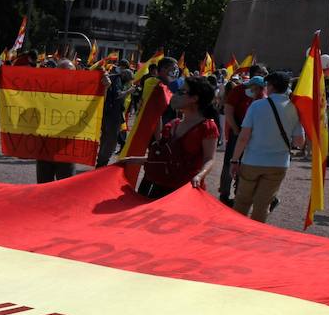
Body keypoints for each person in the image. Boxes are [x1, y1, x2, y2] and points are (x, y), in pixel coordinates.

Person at [122, 77, 221, 201]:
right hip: (159, 190)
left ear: (194, 98)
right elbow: (163, 159)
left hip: (186, 192)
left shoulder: (207, 127)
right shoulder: (173, 124)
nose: (175, 95)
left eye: (181, 92)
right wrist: (131, 160)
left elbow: (209, 159)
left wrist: (199, 176)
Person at [229, 72, 304, 221]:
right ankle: (256, 232)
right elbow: (299, 142)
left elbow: (243, 137)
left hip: (252, 160)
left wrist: (234, 160)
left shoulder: (256, 105)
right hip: (278, 163)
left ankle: (236, 230)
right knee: (263, 204)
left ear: (270, 86)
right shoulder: (294, 108)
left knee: (242, 201)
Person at [96, 66, 132, 168]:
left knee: (105, 138)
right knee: (111, 140)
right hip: (112, 115)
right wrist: (129, 91)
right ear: (124, 75)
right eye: (128, 80)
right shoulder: (117, 80)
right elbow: (118, 95)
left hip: (108, 114)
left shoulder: (114, 78)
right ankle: (102, 163)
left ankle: (101, 161)